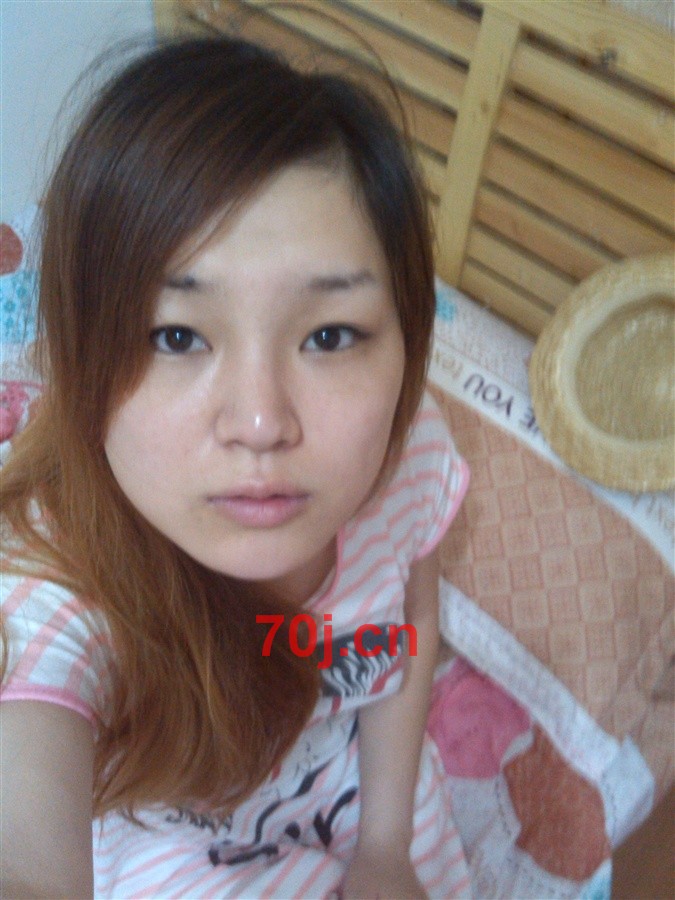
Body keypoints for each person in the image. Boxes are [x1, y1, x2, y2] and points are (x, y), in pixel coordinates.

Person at [0, 36, 471, 899]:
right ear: (80, 351)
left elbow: (406, 617)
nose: (260, 424)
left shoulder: (404, 456)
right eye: (176, 335)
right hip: (161, 817)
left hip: (351, 783)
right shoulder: (51, 577)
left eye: (330, 335)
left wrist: (386, 845)